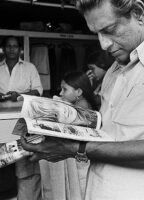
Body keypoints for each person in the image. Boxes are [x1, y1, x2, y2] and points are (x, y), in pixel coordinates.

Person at [21, 0, 144, 199]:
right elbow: (109, 138)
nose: (103, 44)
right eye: (96, 33)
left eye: (110, 29)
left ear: (138, 13)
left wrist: (75, 148)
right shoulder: (113, 72)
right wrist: (59, 129)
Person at [0, 35, 43, 200]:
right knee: (1, 160)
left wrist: (19, 95)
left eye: (15, 46)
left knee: (23, 161)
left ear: (20, 49)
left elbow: (38, 91)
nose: (12, 49)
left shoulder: (29, 67)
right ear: (3, 49)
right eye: (8, 46)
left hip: (22, 121)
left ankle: (25, 195)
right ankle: (3, 195)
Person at [40, 71, 95, 200]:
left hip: (80, 167)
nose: (60, 93)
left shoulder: (82, 112)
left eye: (64, 89)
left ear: (79, 92)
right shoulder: (77, 107)